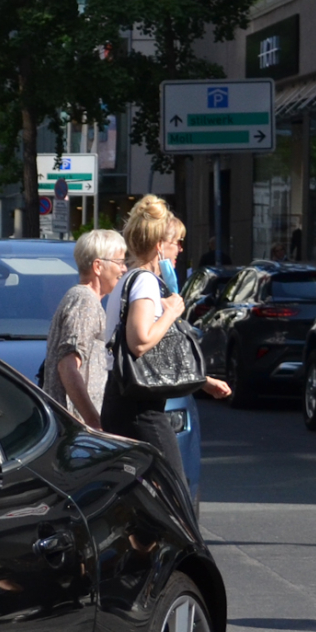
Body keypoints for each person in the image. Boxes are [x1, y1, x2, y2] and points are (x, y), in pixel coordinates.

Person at [104, 197, 230, 512]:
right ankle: (177, 558)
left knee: (140, 497)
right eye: (176, 243)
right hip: (141, 408)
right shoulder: (145, 283)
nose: (180, 250)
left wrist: (203, 381)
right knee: (174, 494)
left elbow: (158, 358)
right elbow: (140, 342)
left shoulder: (128, 281)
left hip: (123, 400)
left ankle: (137, 555)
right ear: (160, 246)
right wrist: (171, 312)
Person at [48, 229, 127, 429]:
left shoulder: (87, 300)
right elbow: (67, 366)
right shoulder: (85, 301)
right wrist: (93, 421)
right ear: (98, 266)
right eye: (119, 262)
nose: (124, 269)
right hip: (78, 429)